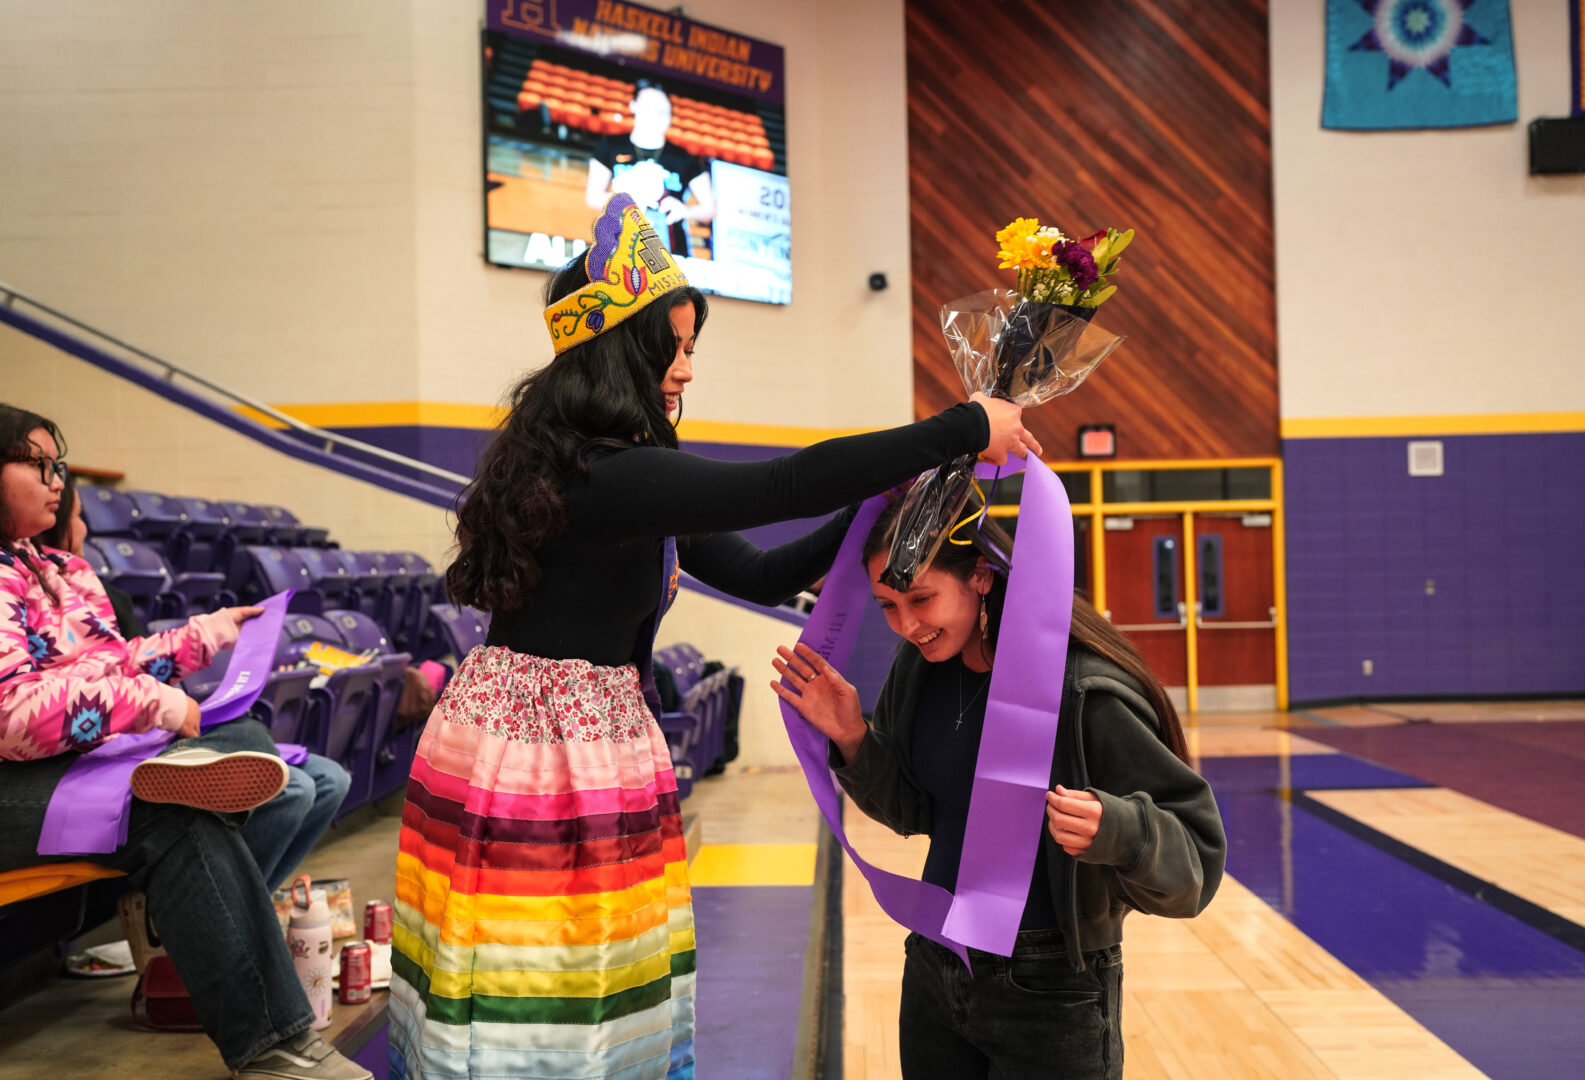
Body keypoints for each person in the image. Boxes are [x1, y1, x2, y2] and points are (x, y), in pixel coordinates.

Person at [388, 192, 1039, 1080]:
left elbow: (763, 573)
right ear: (625, 351)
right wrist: (960, 426)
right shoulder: (613, 477)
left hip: (547, 738)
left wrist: (880, 501)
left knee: (562, 970)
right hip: (546, 757)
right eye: (676, 347)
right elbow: (782, 486)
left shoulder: (599, 469)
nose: (687, 370)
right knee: (544, 971)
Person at [769, 501, 1227, 1080]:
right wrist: (854, 738)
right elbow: (914, 809)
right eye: (887, 605)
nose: (906, 625)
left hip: (1052, 989)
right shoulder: (920, 669)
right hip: (936, 967)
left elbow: (1196, 863)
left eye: (921, 599)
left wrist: (1116, 828)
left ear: (981, 575)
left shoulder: (1084, 690)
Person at [0, 404, 372, 1080]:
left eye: (59, 466)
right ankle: (274, 1044)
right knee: (172, 810)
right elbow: (12, 716)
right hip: (13, 781)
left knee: (241, 734)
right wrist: (151, 704)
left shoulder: (63, 568)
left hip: (73, 765)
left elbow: (114, 667)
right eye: (36, 465)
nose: (56, 481)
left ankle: (191, 771)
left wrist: (207, 634)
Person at [35, 470, 353, 892]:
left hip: (135, 730)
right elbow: (46, 698)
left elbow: (127, 665)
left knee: (325, 776)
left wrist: (214, 632)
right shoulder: (36, 595)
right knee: (289, 787)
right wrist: (159, 703)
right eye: (77, 517)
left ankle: (241, 909)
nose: (85, 529)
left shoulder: (84, 583)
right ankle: (219, 914)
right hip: (99, 751)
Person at [586, 80, 713, 258]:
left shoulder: (684, 158)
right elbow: (593, 197)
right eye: (648, 107)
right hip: (619, 247)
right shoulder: (610, 146)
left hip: (670, 251)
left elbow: (710, 209)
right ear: (633, 106)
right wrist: (626, 202)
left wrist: (684, 210)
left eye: (662, 111)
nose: (654, 116)